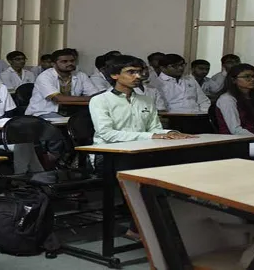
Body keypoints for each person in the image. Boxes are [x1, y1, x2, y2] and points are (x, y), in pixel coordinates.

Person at [89, 55, 194, 240]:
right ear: (114, 75)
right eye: (131, 72)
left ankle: (153, 227)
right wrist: (152, 135)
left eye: (140, 72)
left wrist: (171, 133)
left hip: (141, 152)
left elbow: (155, 129)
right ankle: (141, 229)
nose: (137, 76)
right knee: (143, 182)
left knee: (178, 169)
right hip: (108, 155)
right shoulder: (100, 100)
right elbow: (108, 134)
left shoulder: (145, 100)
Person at [26, 49, 99, 119]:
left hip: (71, 111)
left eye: (72, 61)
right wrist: (90, 99)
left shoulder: (81, 75)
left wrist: (94, 98)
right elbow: (58, 98)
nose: (70, 63)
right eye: (64, 61)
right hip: (45, 112)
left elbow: (95, 94)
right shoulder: (45, 76)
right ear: (53, 64)